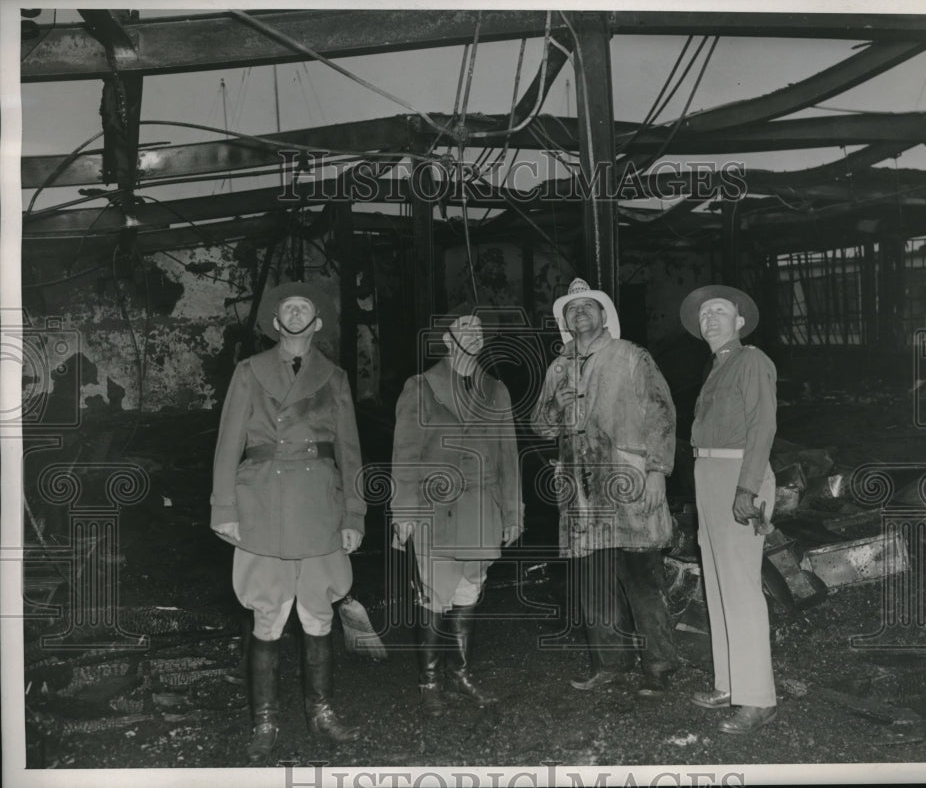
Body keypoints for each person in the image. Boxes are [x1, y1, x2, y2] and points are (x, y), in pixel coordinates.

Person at [210, 281, 366, 763]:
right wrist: (224, 508)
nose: (296, 314)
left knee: (318, 615)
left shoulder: (335, 377)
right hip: (263, 502)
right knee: (268, 616)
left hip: (319, 502)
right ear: (276, 323)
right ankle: (264, 721)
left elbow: (350, 451)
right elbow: (227, 443)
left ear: (317, 323)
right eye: (287, 308)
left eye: (305, 308)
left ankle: (321, 714)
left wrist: (354, 513)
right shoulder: (248, 371)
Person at [530, 278, 680, 697]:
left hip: (627, 480)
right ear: (565, 321)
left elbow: (661, 412)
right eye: (571, 309)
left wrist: (657, 470)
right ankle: (611, 664)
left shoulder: (630, 355)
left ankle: (660, 666)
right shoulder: (558, 367)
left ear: (603, 315)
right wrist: (554, 404)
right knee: (594, 581)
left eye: (587, 307)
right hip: (580, 488)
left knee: (642, 579)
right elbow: (539, 427)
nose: (579, 313)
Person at [391, 307, 523, 717]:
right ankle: (430, 681)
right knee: (435, 596)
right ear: (446, 340)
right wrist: (404, 512)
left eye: (479, 328)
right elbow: (406, 454)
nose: (474, 332)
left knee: (469, 592)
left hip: (482, 507)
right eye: (464, 326)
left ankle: (460, 674)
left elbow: (508, 455)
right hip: (437, 510)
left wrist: (513, 511)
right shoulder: (421, 387)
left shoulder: (495, 390)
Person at [679, 284, 778, 735]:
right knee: (718, 587)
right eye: (704, 315)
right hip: (710, 475)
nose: (710, 319)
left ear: (740, 321)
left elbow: (763, 426)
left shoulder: (751, 360)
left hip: (739, 474)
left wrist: (747, 489)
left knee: (740, 589)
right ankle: (729, 683)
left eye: (719, 311)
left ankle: (758, 698)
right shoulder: (717, 366)